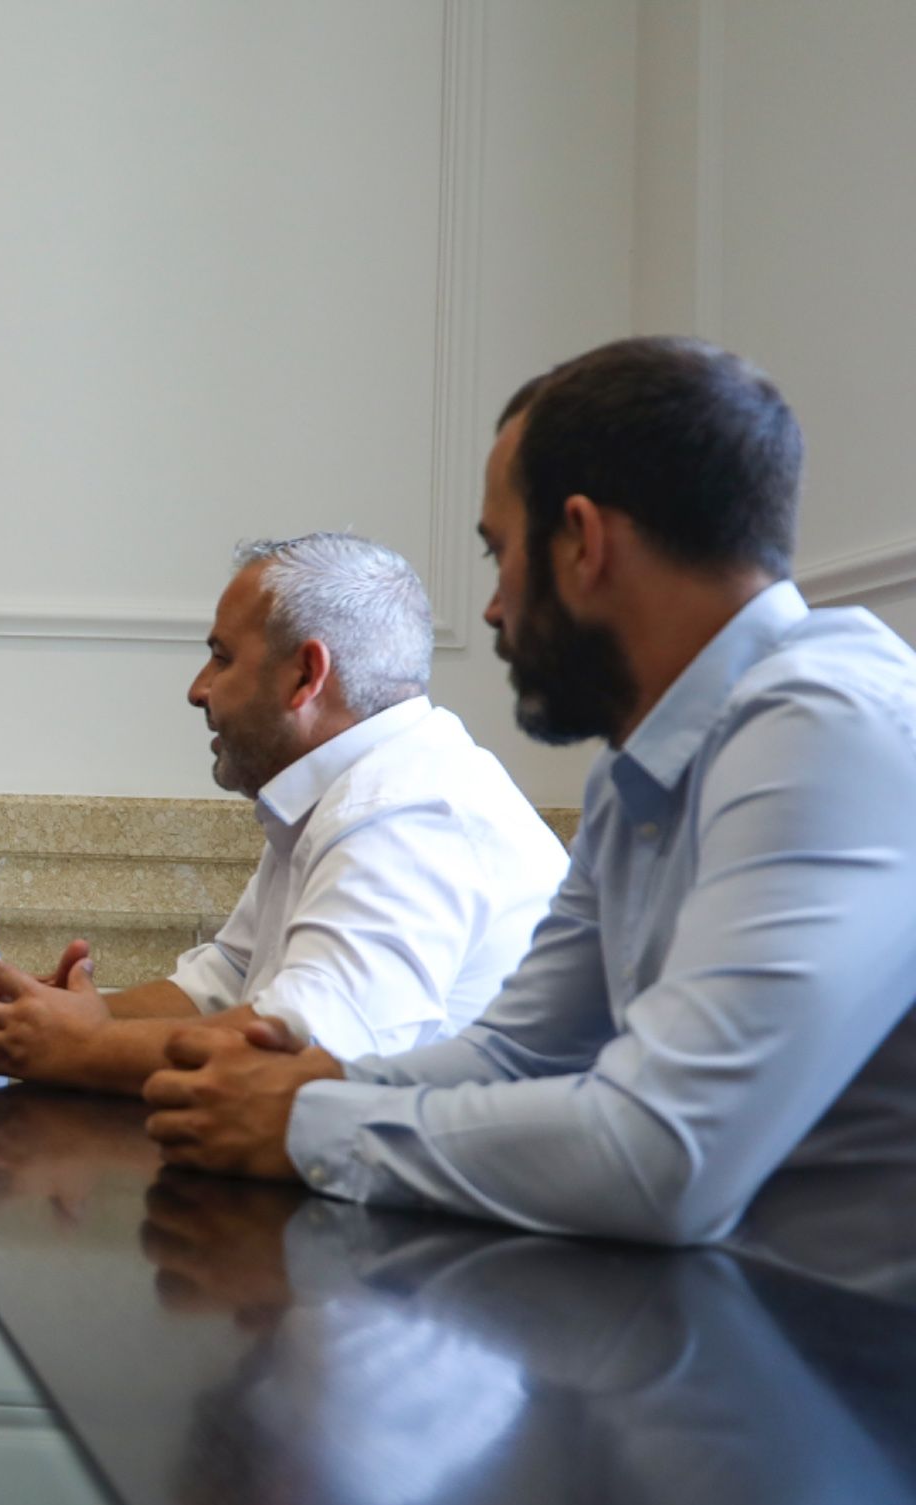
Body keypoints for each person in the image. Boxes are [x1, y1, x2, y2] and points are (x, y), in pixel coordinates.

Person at [143, 336, 916, 1245]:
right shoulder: (641, 765)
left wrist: (303, 1120)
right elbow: (515, 1054)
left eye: (499, 551)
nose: (492, 609)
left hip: (837, 1363)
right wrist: (317, 1082)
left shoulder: (834, 728)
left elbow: (665, 1156)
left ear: (582, 541)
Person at [0, 534, 565, 1093]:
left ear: (305, 675)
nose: (198, 688)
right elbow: (227, 981)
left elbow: (305, 1047)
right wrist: (63, 1014)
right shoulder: (346, 786)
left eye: (223, 658)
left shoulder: (405, 811)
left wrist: (83, 1047)